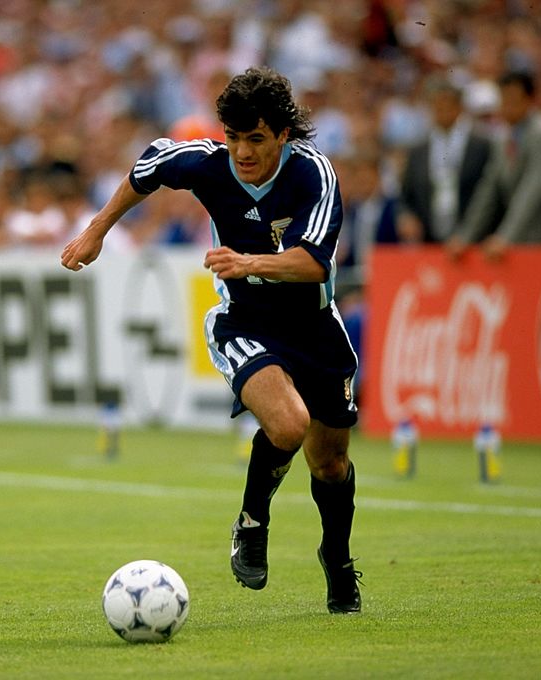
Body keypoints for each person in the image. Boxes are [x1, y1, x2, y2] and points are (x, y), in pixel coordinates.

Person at [61, 66, 362, 614]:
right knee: (288, 423)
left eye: (255, 139)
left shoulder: (313, 174)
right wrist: (97, 229)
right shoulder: (206, 162)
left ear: (282, 136)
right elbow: (147, 166)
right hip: (244, 321)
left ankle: (338, 563)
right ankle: (252, 522)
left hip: (315, 328)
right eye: (233, 137)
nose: (242, 152)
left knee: (330, 463)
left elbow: (314, 264)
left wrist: (246, 260)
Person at [447, 71, 541, 260]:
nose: (506, 107)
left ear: (530, 101)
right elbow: (488, 191)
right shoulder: (503, 139)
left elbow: (532, 191)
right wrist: (465, 237)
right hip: (534, 242)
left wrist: (505, 238)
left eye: (513, 100)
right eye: (503, 100)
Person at [399, 78, 493, 244]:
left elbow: (490, 193)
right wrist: (407, 216)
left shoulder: (481, 145)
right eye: (436, 105)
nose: (441, 109)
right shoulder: (419, 150)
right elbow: (407, 195)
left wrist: (470, 232)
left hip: (474, 239)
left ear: (459, 107)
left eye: (446, 104)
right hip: (429, 238)